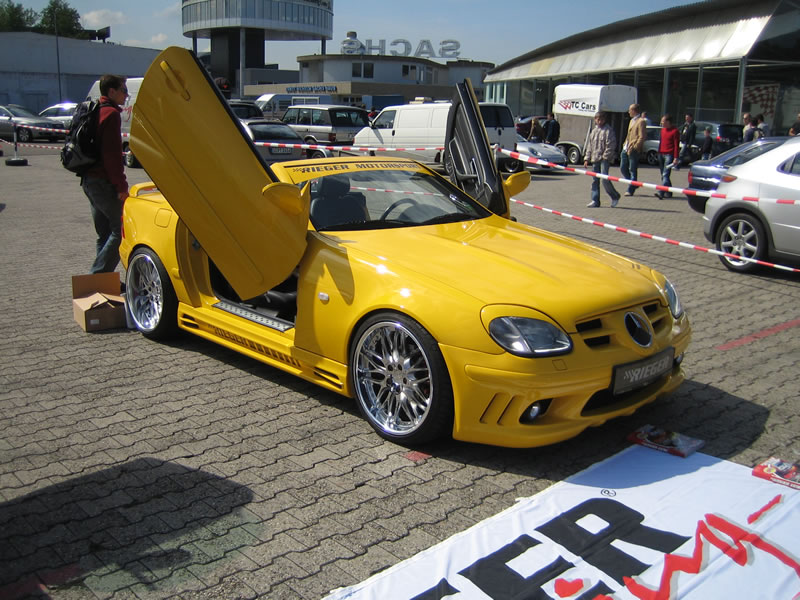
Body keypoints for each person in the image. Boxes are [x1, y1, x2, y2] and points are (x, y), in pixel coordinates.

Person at [81, 74, 129, 274]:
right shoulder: (111, 114)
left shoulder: (96, 109)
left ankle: (103, 282)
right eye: (124, 90)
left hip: (89, 180)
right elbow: (112, 156)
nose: (126, 95)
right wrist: (121, 186)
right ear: (112, 91)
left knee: (105, 233)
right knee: (121, 231)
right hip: (102, 182)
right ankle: (96, 276)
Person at [584, 111, 621, 208]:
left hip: (604, 159)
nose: (599, 121)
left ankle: (615, 196)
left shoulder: (608, 130)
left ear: (604, 120)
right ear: (595, 120)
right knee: (595, 180)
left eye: (601, 119)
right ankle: (595, 200)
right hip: (595, 158)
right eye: (598, 119)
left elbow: (611, 145)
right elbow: (590, 146)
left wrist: (605, 157)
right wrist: (587, 158)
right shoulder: (594, 131)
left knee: (605, 179)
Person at [620, 103, 646, 197]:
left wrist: (635, 147)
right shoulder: (631, 120)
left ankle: (630, 189)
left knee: (632, 169)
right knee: (623, 167)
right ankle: (633, 183)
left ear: (634, 111)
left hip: (633, 149)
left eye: (630, 110)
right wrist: (625, 144)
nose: (629, 112)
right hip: (626, 147)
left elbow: (642, 136)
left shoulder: (641, 121)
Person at [656, 114, 680, 199]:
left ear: (668, 122)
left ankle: (661, 192)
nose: (661, 122)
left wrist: (676, 158)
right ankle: (669, 192)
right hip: (661, 154)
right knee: (663, 175)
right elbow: (661, 142)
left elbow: (676, 145)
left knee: (665, 174)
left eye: (663, 121)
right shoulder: (662, 130)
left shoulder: (675, 131)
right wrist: (658, 152)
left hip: (669, 155)